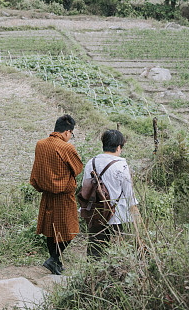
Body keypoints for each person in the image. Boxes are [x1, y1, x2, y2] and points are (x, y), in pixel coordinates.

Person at [29, 114, 84, 275]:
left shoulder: (40, 144)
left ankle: (55, 262)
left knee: (50, 230)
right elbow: (78, 168)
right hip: (64, 196)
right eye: (71, 134)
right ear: (67, 132)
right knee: (70, 230)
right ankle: (53, 259)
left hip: (47, 194)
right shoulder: (67, 148)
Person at [83, 129, 142, 259]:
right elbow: (129, 195)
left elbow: (85, 189)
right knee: (117, 252)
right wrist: (137, 217)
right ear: (119, 147)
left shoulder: (91, 163)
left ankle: (92, 271)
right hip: (117, 216)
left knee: (95, 251)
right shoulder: (121, 166)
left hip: (96, 214)